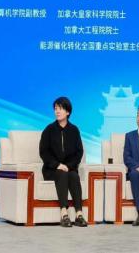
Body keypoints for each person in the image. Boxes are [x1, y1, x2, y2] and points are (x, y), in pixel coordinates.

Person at [39, 96, 87, 227]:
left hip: (69, 168)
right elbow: (44, 152)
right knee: (62, 173)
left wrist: (69, 166)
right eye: (55, 108)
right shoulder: (49, 130)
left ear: (68, 112)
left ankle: (79, 214)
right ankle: (64, 213)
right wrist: (58, 165)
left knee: (73, 175)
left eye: (60, 108)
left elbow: (79, 152)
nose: (57, 111)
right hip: (52, 169)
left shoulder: (74, 130)